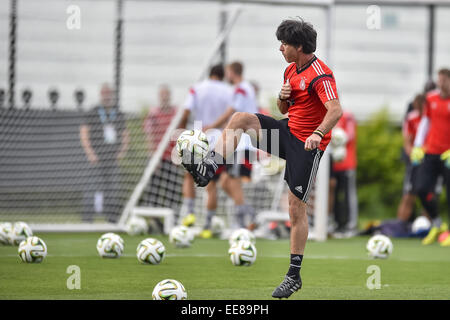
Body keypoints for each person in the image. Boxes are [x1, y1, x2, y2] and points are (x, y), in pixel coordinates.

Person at [181, 19, 342, 298]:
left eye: (285, 44)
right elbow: (285, 107)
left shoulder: (321, 74)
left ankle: (293, 275)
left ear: (300, 46)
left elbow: (335, 110)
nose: (280, 48)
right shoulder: (291, 69)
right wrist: (282, 98)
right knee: (241, 118)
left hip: (306, 146)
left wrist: (318, 133)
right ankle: (208, 168)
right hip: (287, 133)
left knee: (295, 209)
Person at [179, 64, 251, 237]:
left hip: (199, 136)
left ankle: (189, 212)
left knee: (189, 175)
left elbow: (187, 110)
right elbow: (231, 112)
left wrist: (182, 128)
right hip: (220, 139)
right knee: (211, 184)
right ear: (221, 75)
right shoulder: (230, 90)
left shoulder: (197, 88)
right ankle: (208, 226)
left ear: (210, 74)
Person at [203, 62, 258, 228]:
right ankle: (250, 214)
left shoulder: (241, 88)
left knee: (233, 181)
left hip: (243, 143)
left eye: (228, 72)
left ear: (232, 72)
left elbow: (232, 112)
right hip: (237, 144)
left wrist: (212, 126)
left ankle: (242, 223)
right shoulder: (242, 88)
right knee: (225, 182)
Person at [80, 83, 129, 223]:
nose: (107, 96)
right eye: (104, 93)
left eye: (109, 93)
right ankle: (87, 220)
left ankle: (112, 220)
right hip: (95, 158)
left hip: (112, 159)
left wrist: (121, 153)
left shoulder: (118, 113)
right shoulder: (93, 112)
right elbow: (84, 133)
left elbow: (125, 135)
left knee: (112, 190)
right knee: (92, 188)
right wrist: (90, 153)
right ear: (101, 94)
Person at [411, 68, 450, 246]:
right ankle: (437, 224)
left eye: (444, 80)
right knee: (421, 188)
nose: (440, 84)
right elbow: (425, 122)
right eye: (439, 80)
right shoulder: (431, 98)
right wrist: (418, 146)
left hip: (448, 155)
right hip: (431, 152)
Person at [143, 85, 180, 230]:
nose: (164, 97)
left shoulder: (176, 113)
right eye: (162, 94)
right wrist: (153, 157)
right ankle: (153, 222)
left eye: (166, 94)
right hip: (157, 158)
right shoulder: (153, 114)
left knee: (172, 191)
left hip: (172, 158)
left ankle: (172, 222)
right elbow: (149, 135)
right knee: (154, 191)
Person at [329, 110, 358, 237]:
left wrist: (336, 136)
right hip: (330, 165)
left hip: (346, 163)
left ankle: (350, 224)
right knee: (330, 194)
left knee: (348, 194)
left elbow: (350, 135)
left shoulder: (347, 116)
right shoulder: (324, 116)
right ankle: (333, 222)